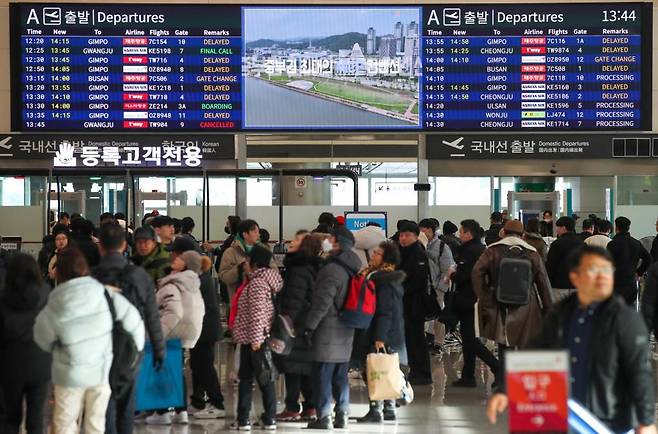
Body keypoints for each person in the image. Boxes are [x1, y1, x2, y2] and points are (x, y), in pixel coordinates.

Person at [487, 246, 657, 434]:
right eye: (594, 270)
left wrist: (646, 420)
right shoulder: (560, 315)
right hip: (565, 418)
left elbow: (639, 372)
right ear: (575, 276)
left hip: (609, 421)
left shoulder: (626, 320)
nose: (602, 277)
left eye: (607, 270)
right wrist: (505, 390)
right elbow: (535, 355)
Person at [34, 248, 144, 434]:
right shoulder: (106, 295)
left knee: (65, 423)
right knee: (95, 423)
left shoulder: (56, 301)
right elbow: (135, 324)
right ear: (86, 269)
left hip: (68, 374)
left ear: (59, 272)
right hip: (101, 372)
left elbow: (41, 338)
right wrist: (132, 358)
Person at [92, 223, 165, 434]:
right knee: (126, 404)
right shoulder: (139, 276)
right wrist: (159, 351)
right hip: (132, 347)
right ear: (125, 245)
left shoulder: (91, 277)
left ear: (100, 247)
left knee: (104, 402)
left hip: (99, 348)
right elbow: (152, 317)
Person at [472, 220, 553, 370]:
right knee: (524, 342)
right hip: (527, 305)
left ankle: (503, 379)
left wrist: (484, 295)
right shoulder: (531, 252)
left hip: (499, 302)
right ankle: (520, 379)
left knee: (504, 342)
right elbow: (543, 282)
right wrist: (549, 309)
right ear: (522, 235)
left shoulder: (492, 250)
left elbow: (477, 272)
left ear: (503, 232)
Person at [302, 226, 361, 430]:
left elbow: (322, 302)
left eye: (329, 239)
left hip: (328, 329)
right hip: (346, 327)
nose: (325, 243)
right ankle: (342, 415)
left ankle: (324, 416)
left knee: (322, 376)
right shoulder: (352, 265)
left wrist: (309, 325)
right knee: (340, 376)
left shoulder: (331, 269)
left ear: (336, 242)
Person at [146, 249, 208, 425]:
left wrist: (159, 334)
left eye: (180, 258)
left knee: (162, 371)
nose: (175, 258)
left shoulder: (175, 282)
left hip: (170, 332)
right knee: (176, 372)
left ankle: (162, 412)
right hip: (184, 333)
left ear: (186, 264)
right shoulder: (192, 283)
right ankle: (181, 411)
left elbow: (174, 311)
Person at [169, 237, 226, 420]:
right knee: (197, 365)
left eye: (176, 254)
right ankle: (197, 401)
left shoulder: (195, 278)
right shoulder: (199, 275)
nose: (173, 257)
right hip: (201, 329)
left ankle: (217, 403)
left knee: (204, 366)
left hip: (205, 330)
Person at [230, 245, 283, 431]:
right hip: (253, 338)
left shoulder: (258, 283)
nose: (244, 264)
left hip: (254, 340)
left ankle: (264, 418)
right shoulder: (260, 280)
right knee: (254, 378)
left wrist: (255, 340)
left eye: (247, 260)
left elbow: (258, 313)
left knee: (259, 379)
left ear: (254, 262)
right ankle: (247, 418)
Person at [0, 253, 51, 434]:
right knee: (36, 419)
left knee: (10, 418)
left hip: (10, 364)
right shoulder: (46, 292)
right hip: (41, 362)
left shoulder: (4, 297)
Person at [356, 241, 406, 423]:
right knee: (387, 368)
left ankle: (376, 409)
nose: (373, 256)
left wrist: (379, 337)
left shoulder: (382, 279)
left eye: (377, 253)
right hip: (390, 332)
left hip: (380, 331)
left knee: (374, 368)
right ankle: (389, 407)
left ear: (385, 258)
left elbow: (384, 310)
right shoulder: (389, 277)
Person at [275, 231, 322, 422]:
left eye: (296, 239)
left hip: (296, 325)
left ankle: (292, 406)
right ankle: (310, 406)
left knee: (292, 366)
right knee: (303, 367)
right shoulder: (312, 267)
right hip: (307, 324)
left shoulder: (298, 269)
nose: (291, 242)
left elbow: (295, 298)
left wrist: (286, 322)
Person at [451, 219, 499, 387]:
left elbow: (465, 276)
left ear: (468, 234)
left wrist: (452, 274)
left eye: (461, 232)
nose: (459, 234)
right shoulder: (479, 249)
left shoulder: (471, 251)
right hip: (474, 298)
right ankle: (468, 375)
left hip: (469, 299)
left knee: (470, 339)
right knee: (468, 337)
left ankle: (497, 367)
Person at [397, 221, 432, 386]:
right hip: (407, 302)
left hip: (415, 303)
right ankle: (416, 370)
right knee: (411, 338)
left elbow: (418, 280)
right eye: (401, 235)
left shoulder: (417, 253)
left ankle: (422, 372)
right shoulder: (405, 252)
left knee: (417, 338)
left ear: (416, 236)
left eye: (407, 235)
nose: (403, 238)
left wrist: (401, 289)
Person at [418, 218, 455, 353]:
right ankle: (423, 341)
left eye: (424, 230)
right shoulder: (417, 245)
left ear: (432, 230)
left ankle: (438, 343)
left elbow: (448, 268)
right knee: (421, 315)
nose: (422, 232)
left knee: (438, 315)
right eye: (420, 230)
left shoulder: (441, 247)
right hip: (421, 287)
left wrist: (441, 288)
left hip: (437, 288)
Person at [219, 219, 277, 301]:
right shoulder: (230, 252)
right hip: (239, 303)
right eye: (255, 232)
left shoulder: (264, 251)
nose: (258, 235)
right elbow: (224, 276)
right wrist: (240, 268)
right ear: (245, 234)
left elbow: (275, 273)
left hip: (262, 302)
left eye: (258, 232)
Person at [607, 216, 651, 305]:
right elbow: (648, 259)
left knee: (615, 312)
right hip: (631, 283)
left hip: (616, 284)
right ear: (628, 228)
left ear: (616, 227)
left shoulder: (612, 244)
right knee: (629, 311)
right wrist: (639, 272)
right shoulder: (636, 243)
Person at [546, 216, 584, 293]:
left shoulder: (556, 244)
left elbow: (550, 265)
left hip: (559, 285)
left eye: (558, 227)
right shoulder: (582, 244)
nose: (556, 230)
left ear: (563, 228)